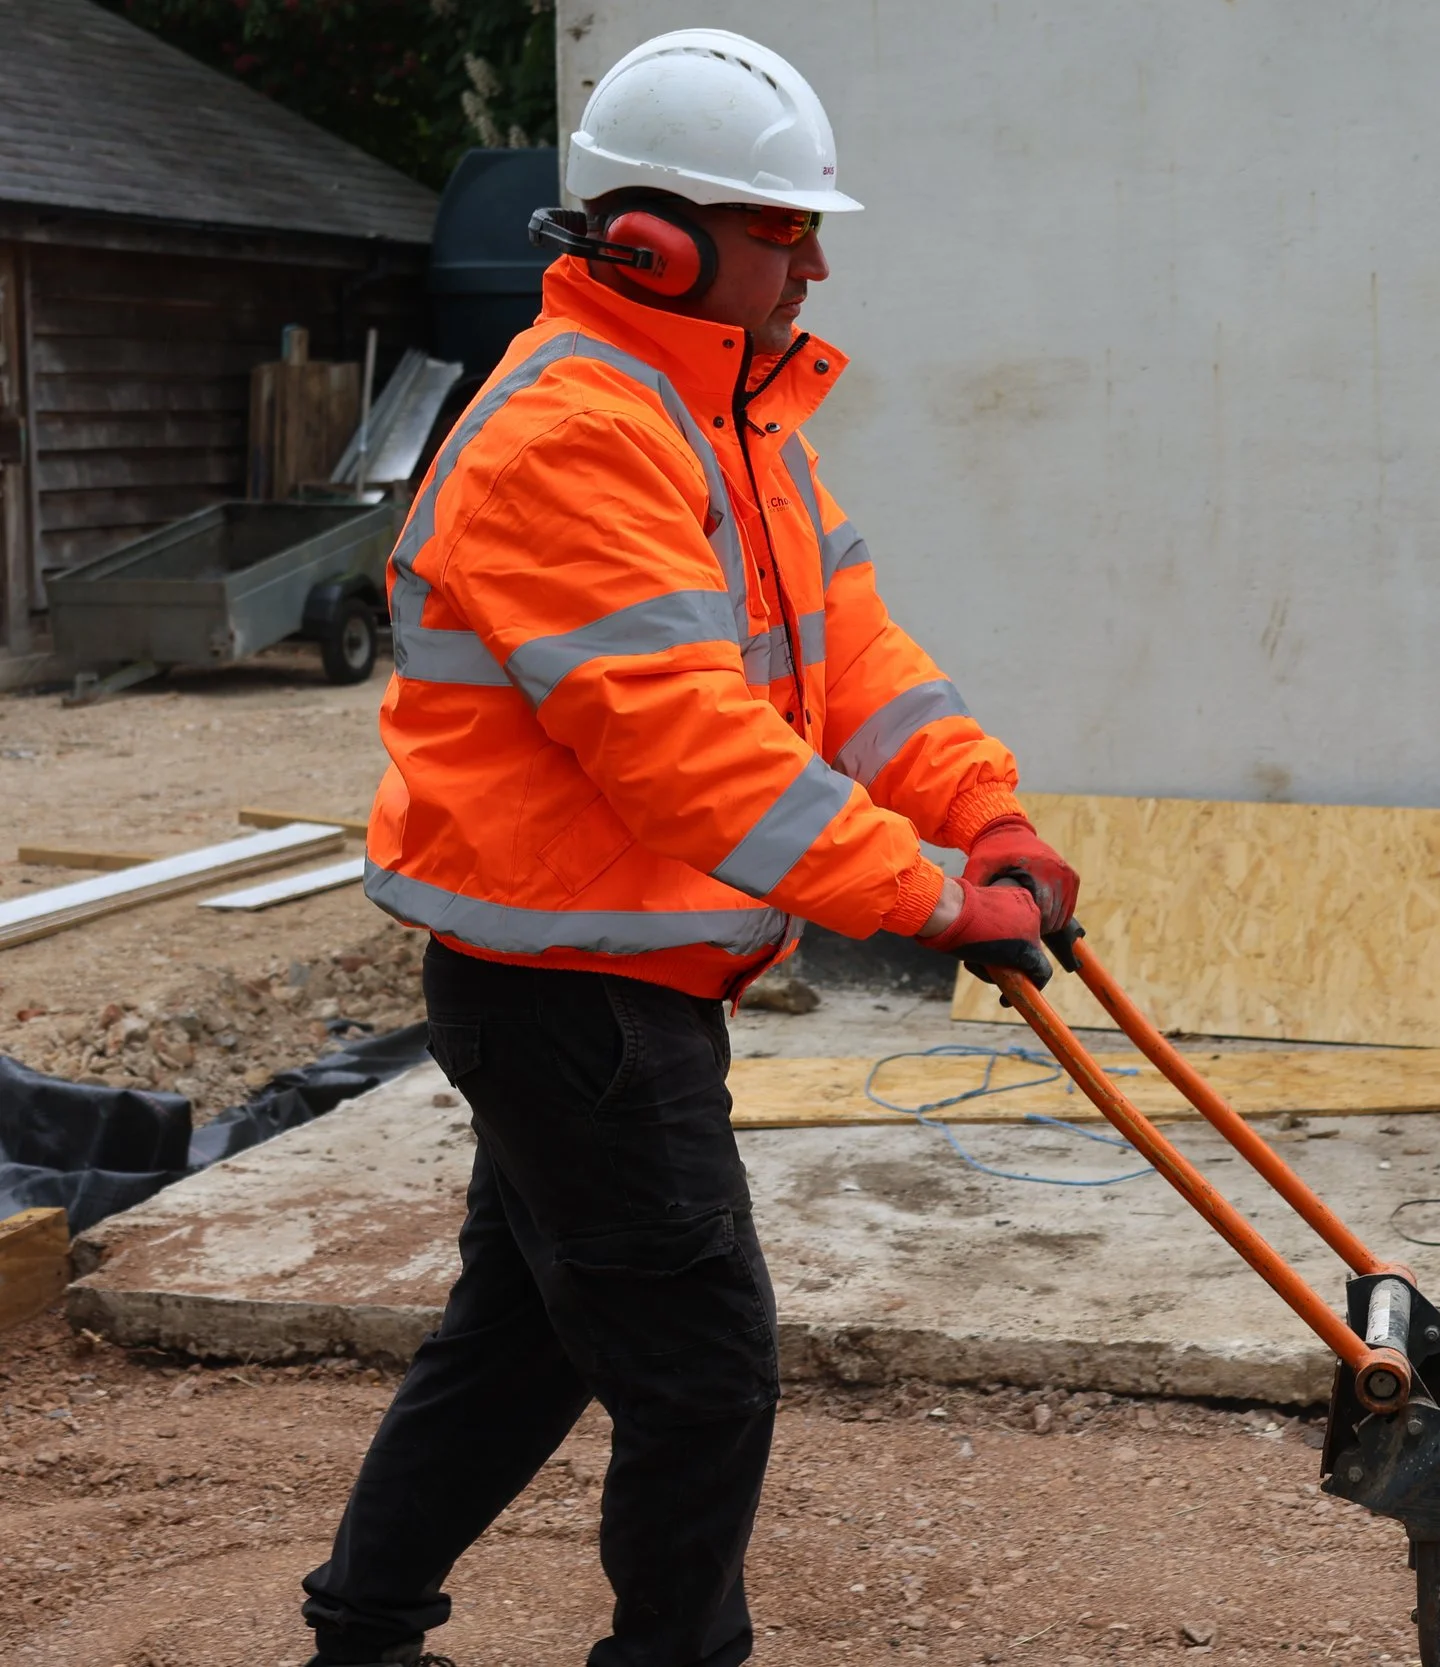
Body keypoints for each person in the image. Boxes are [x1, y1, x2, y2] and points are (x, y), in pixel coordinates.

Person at [298, 29, 1079, 1667]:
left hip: (606, 980)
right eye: (782, 226)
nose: (813, 257)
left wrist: (982, 812)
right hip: (574, 993)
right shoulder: (571, 438)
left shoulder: (733, 422)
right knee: (702, 1369)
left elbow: (856, 663)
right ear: (647, 237)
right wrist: (931, 899)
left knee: (522, 1339)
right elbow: (692, 758)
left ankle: (362, 1633)